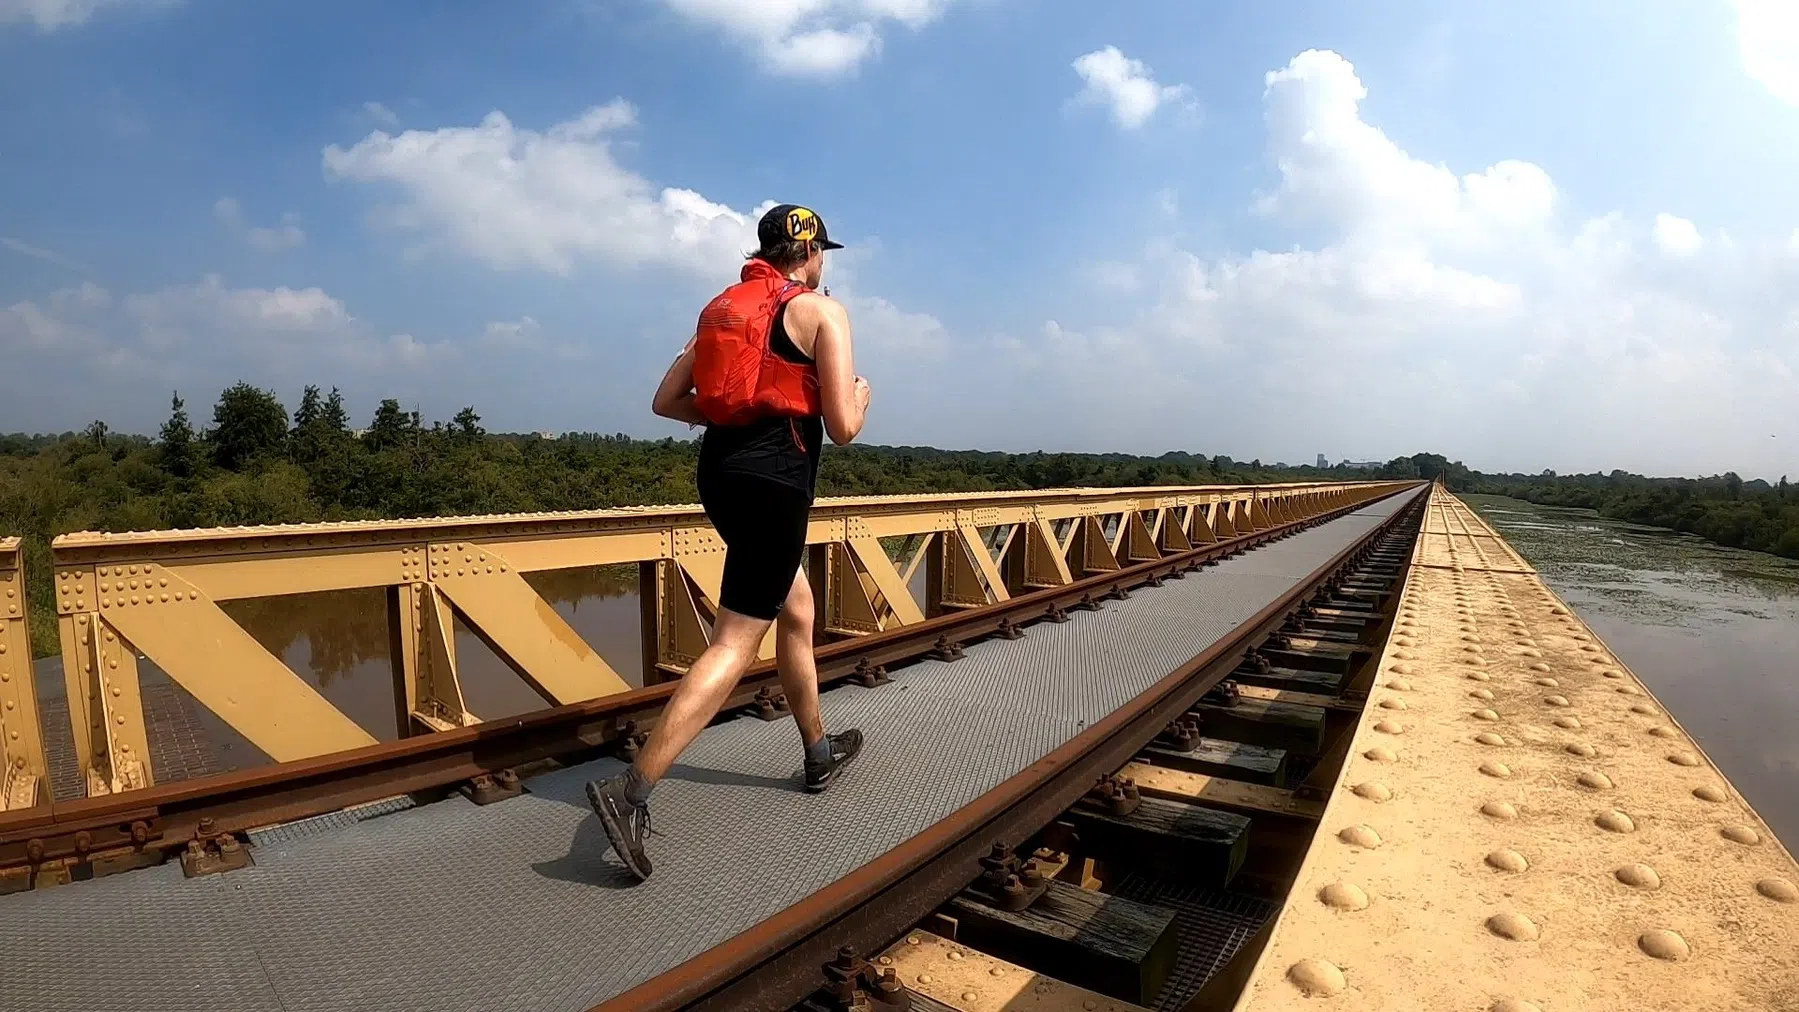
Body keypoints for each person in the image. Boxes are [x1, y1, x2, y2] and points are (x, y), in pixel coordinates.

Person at [585, 204, 873, 882]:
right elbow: (842, 426)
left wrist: (728, 418)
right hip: (776, 482)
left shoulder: (721, 307)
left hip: (721, 473)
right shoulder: (821, 312)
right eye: (822, 252)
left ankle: (817, 751)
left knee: (794, 609)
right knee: (736, 641)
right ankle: (630, 794)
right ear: (810, 255)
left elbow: (666, 401)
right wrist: (861, 395)